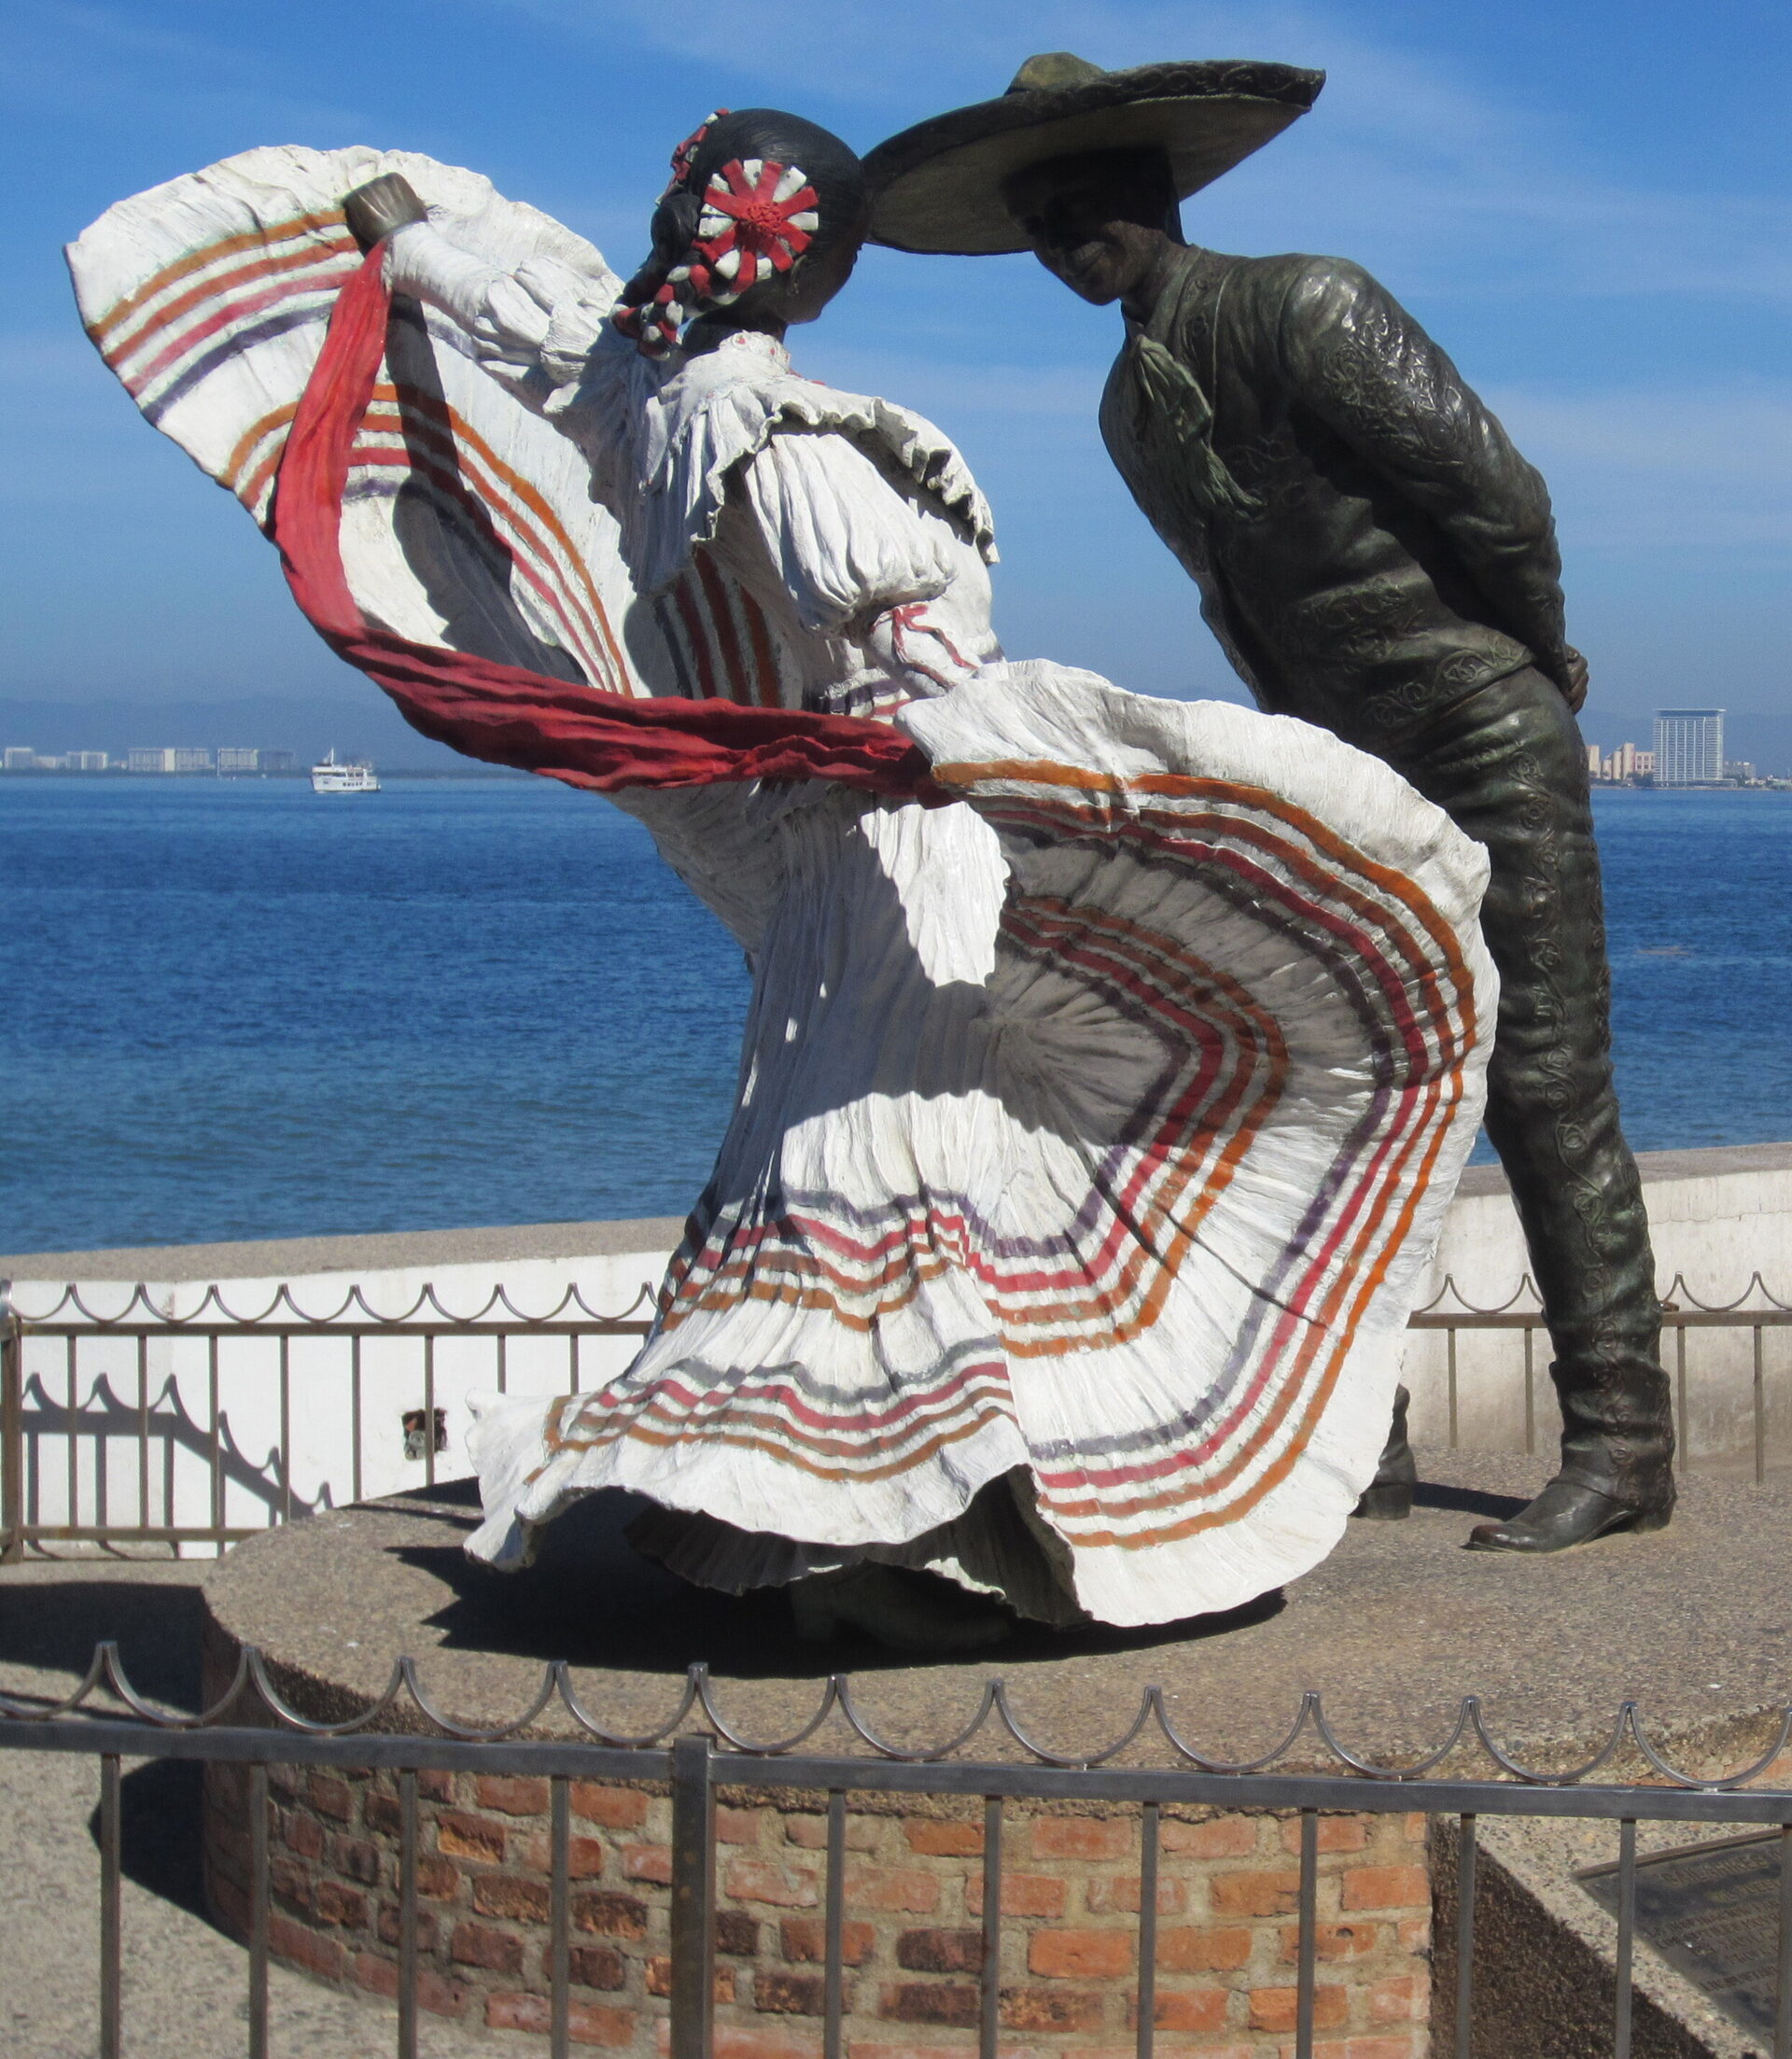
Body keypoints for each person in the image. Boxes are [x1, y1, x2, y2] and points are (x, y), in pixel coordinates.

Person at [71, 111, 1493, 1647]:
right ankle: (888, 1533)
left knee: (834, 1166)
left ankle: (809, 1513)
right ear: (811, 278)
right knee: (901, 1164)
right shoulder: (790, 447)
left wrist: (409, 242)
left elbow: (536, 332)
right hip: (899, 850)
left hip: (826, 860)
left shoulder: (637, 394)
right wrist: (1061, 766)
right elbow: (913, 659)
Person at [865, 56, 1675, 1555]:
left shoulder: (1308, 302)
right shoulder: (1125, 410)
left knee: (1545, 1086)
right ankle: (1360, 1434)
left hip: (1477, 729)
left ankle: (1625, 1442)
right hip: (1338, 768)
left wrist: (1533, 659)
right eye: (1041, 217)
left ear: (1160, 187)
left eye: (1089, 198)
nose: (1066, 234)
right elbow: (1232, 597)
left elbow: (1501, 496)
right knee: (1353, 1081)